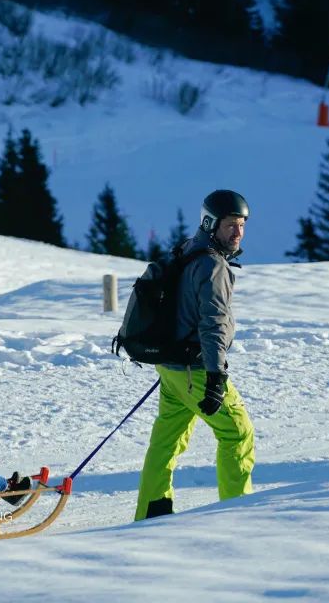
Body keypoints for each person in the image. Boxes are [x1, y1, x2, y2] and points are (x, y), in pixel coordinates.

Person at [134, 190, 256, 520]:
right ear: (210, 223)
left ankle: (152, 511)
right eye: (231, 225)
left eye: (242, 225)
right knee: (238, 433)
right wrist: (216, 376)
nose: (238, 233)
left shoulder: (188, 251)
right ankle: (238, 510)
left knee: (166, 442)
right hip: (196, 370)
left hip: (173, 369)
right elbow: (213, 322)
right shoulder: (212, 264)